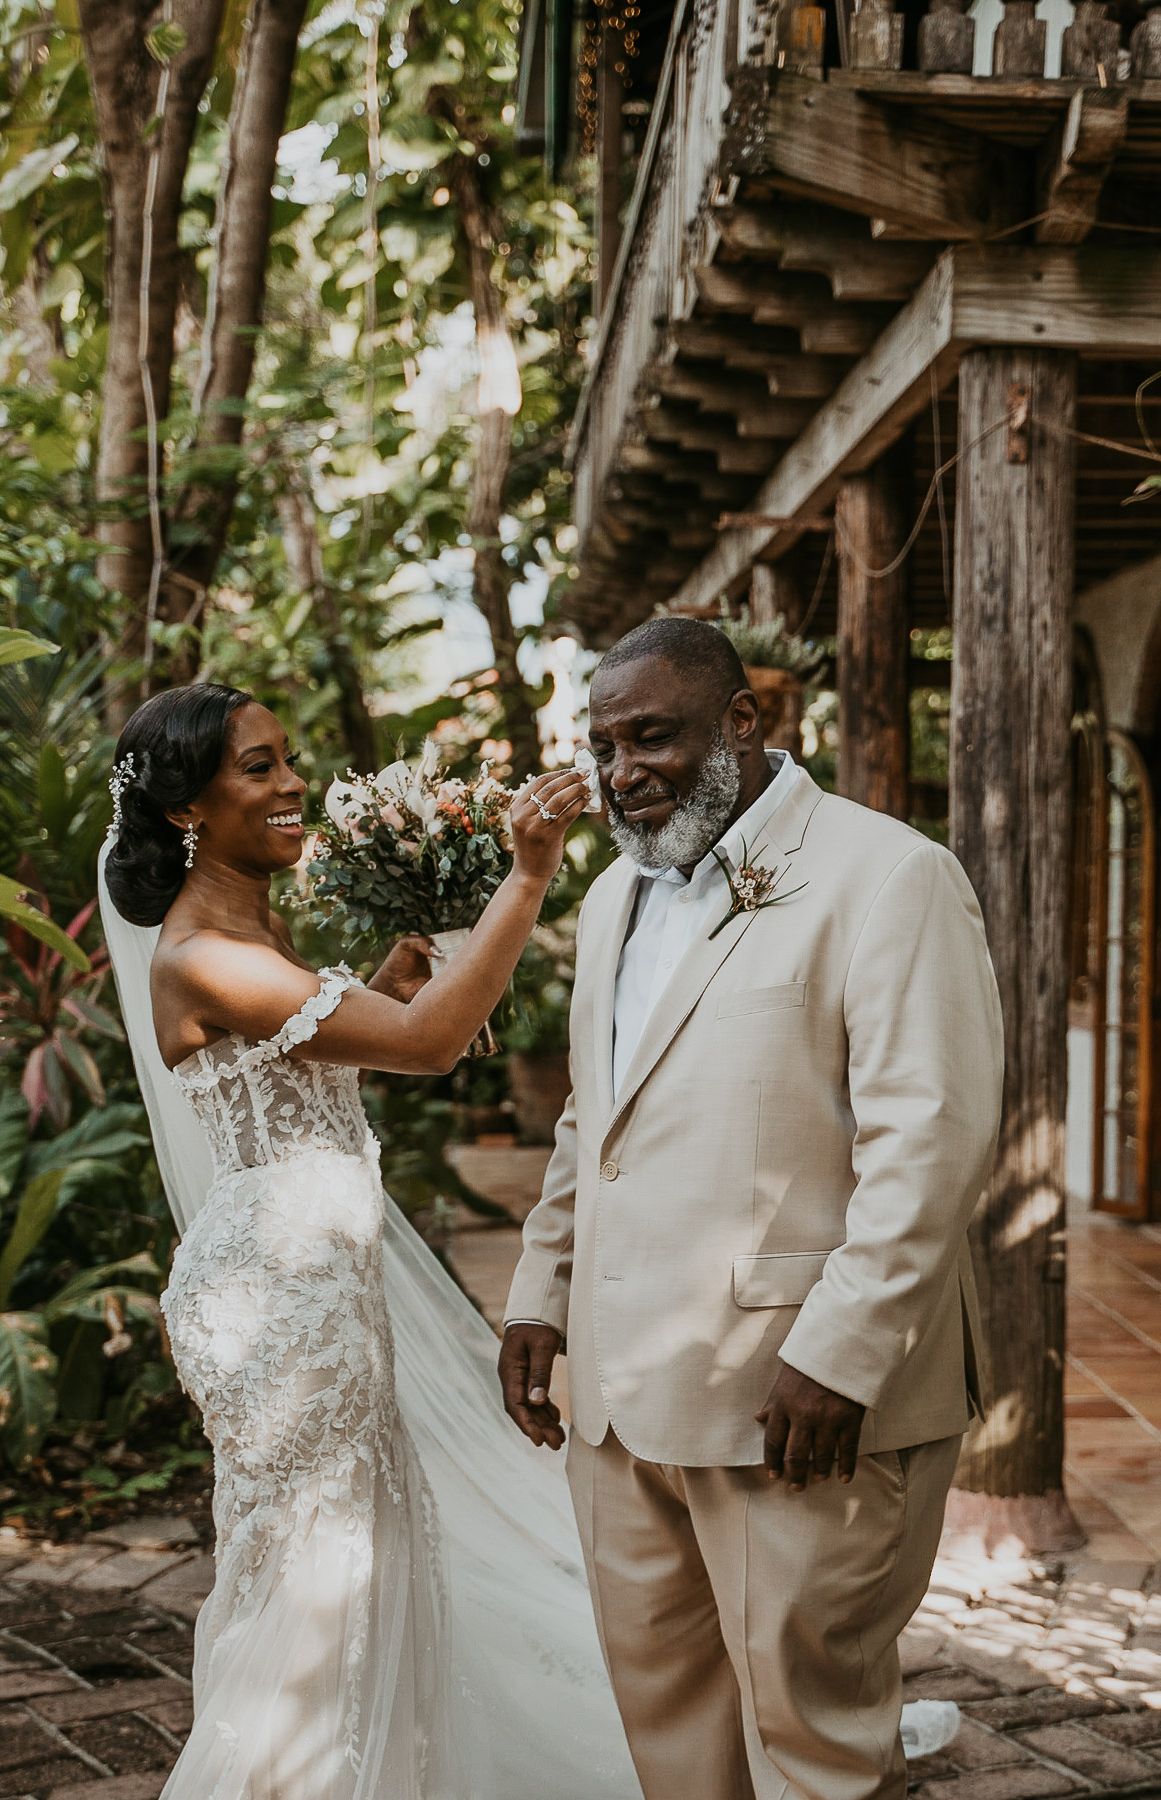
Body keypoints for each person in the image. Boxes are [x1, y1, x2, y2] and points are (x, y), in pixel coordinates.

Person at [98, 682, 643, 1800]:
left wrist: (373, 1000)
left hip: (316, 1276)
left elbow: (299, 1074)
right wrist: (528, 872)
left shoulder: (255, 921)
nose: (294, 783)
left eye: (287, 759)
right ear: (189, 808)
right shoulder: (200, 949)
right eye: (259, 768)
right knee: (320, 1559)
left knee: (356, 1541)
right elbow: (434, 1044)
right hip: (280, 1298)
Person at [499, 616, 1004, 1800]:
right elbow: (595, 1118)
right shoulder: (618, 901)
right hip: (624, 1411)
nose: (624, 771)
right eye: (606, 743)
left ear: (743, 722)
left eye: (652, 736)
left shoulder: (893, 875)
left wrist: (839, 1354)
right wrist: (542, 1293)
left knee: (814, 1748)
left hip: (802, 1407)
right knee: (674, 1737)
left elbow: (930, 1143)